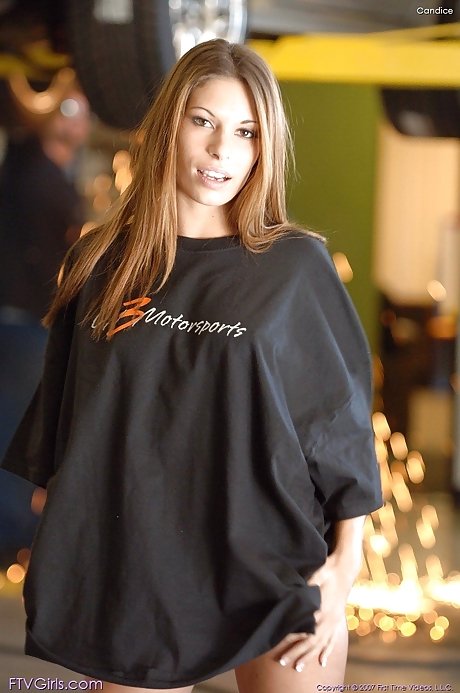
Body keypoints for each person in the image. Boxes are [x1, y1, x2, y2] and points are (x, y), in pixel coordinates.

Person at [1, 39, 382, 692]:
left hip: (276, 570)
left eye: (245, 132)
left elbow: (339, 431)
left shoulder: (294, 268)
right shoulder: (103, 264)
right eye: (202, 121)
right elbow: (70, 439)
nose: (221, 150)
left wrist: (342, 568)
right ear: (169, 125)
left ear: (263, 147)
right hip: (143, 580)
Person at [0, 89, 90, 559]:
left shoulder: (27, 171)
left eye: (79, 112)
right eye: (65, 110)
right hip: (23, 325)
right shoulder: (39, 179)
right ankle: (12, 535)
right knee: (17, 430)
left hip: (20, 322)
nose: (72, 121)